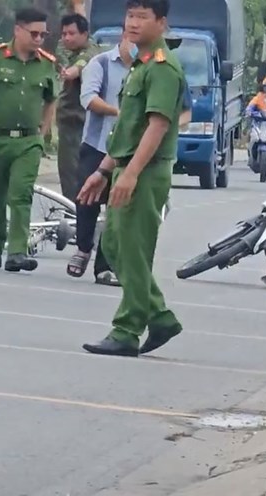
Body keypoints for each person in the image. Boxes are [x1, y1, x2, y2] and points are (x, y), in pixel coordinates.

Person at [78, 0, 184, 357]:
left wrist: (132, 174)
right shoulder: (139, 66)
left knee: (133, 251)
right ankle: (160, 316)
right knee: (114, 246)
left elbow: (158, 125)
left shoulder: (162, 68)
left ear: (162, 23)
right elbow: (128, 130)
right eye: (130, 16)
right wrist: (104, 171)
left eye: (142, 17)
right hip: (126, 166)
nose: (133, 23)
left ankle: (127, 330)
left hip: (146, 172)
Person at [67, 27, 194, 286]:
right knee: (88, 200)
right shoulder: (103, 63)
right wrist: (123, 116)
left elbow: (175, 115)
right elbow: (89, 99)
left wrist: (160, 129)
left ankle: (108, 269)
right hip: (99, 145)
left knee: (120, 217)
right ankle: (83, 247)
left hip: (137, 155)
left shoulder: (162, 69)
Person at [0, 6, 57, 273]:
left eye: (43, 34)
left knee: (21, 194)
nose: (39, 39)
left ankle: (17, 251)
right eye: (34, 33)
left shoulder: (46, 63)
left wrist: (44, 130)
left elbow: (51, 98)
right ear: (18, 30)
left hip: (28, 142)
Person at [56, 13, 99, 202]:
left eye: (72, 33)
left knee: (76, 174)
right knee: (67, 173)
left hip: (80, 122)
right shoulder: (64, 50)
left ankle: (75, 214)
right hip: (68, 122)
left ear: (85, 34)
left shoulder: (92, 51)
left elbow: (83, 62)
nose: (67, 38)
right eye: (64, 33)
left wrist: (73, 72)